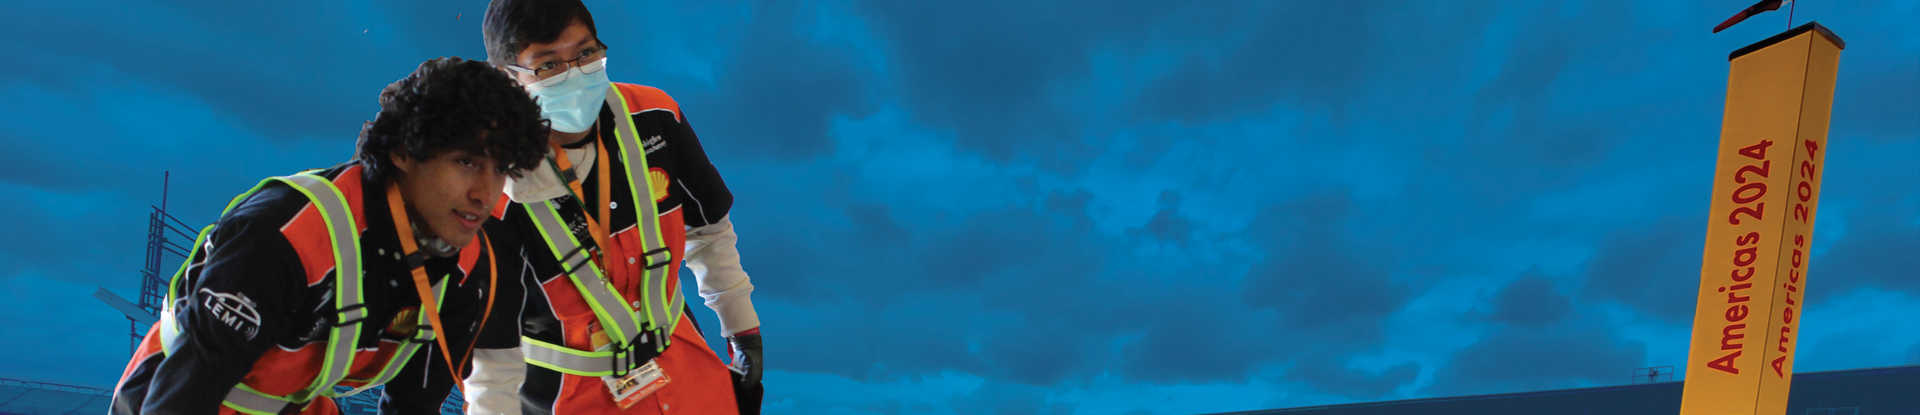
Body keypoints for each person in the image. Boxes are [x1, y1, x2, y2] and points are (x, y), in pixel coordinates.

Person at [108, 57, 549, 414]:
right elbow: (185, 392)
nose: (485, 194)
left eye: (501, 170)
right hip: (177, 396)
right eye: (467, 162)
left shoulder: (470, 269)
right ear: (402, 151)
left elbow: (414, 406)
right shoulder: (284, 236)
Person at [459, 1, 764, 414]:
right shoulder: (486, 188)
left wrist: (742, 330)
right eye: (548, 65)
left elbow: (709, 232)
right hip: (568, 395)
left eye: (585, 53)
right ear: (507, 79)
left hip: (687, 370)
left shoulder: (654, 116)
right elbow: (490, 356)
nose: (575, 73)